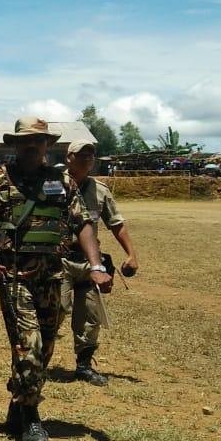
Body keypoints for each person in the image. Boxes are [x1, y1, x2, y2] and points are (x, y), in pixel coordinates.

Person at [0, 117, 111, 441]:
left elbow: (83, 224)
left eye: (38, 140)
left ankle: (18, 404)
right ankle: (32, 419)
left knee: (45, 347)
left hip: (52, 277)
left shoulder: (63, 182)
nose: (32, 146)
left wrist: (95, 264)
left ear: (48, 145)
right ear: (15, 144)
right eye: (25, 141)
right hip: (14, 277)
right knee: (29, 344)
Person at [60, 140, 140, 386]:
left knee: (90, 316)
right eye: (81, 155)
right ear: (69, 157)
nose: (87, 159)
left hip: (89, 262)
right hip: (58, 259)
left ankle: (83, 366)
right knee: (56, 309)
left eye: (91, 155)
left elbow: (116, 223)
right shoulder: (53, 184)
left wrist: (131, 254)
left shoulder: (100, 190)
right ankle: (39, 360)